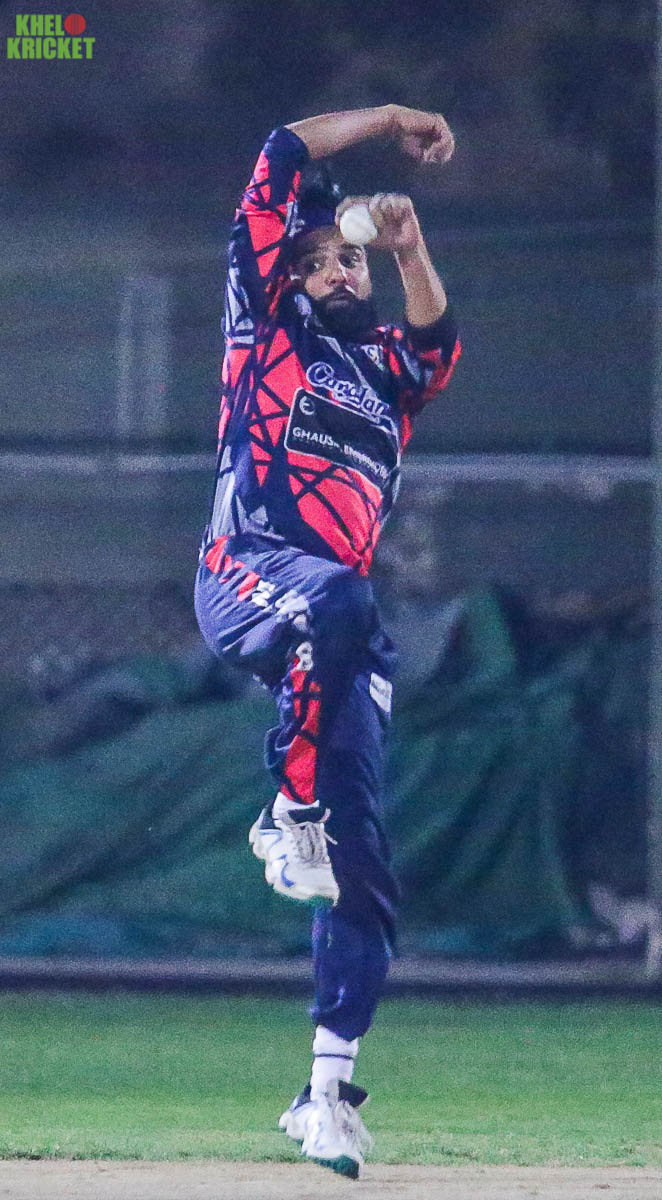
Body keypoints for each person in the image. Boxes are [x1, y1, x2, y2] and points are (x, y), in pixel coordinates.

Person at [194, 103, 460, 1178]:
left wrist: (405, 246)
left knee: (363, 870)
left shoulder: (384, 373)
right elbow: (278, 154)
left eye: (343, 261)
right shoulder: (266, 330)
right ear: (284, 278)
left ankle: (325, 1094)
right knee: (340, 601)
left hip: (336, 631)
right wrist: (391, 118)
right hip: (247, 572)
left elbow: (437, 347)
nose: (336, 273)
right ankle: (288, 810)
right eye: (314, 262)